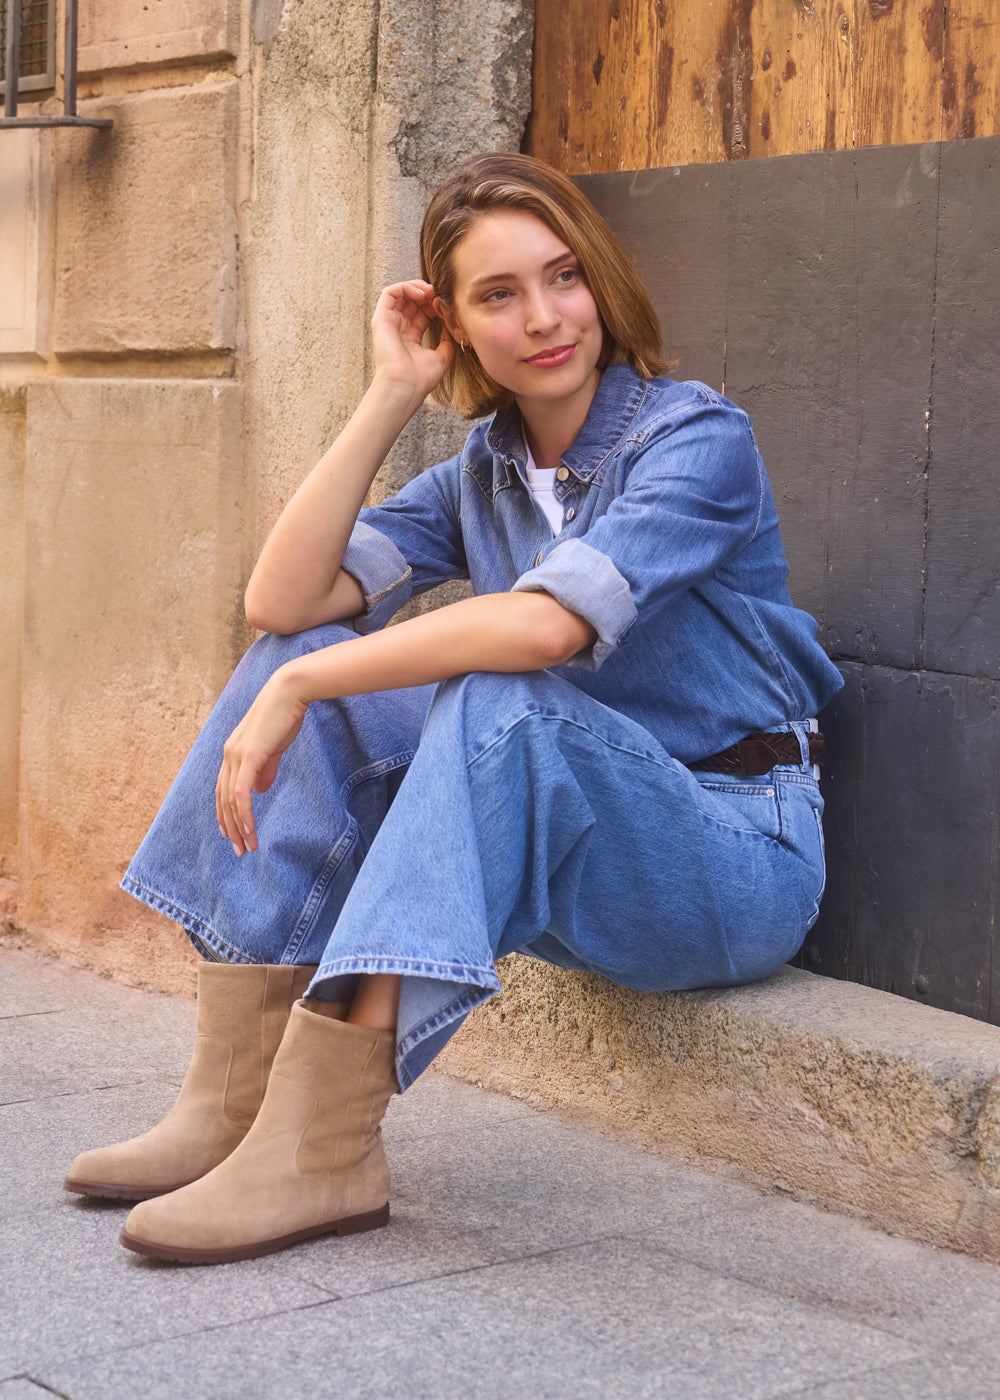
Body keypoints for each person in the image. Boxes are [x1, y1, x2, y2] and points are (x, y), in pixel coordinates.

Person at [64, 153, 843, 1265]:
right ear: (456, 327)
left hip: (731, 854)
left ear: (602, 282)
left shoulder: (693, 438)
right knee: (309, 645)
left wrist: (304, 682)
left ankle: (327, 1145)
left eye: (562, 277)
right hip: (576, 847)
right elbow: (280, 599)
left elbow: (544, 630)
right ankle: (232, 1100)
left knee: (484, 692)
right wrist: (388, 392)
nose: (543, 317)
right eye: (497, 295)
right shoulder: (483, 472)